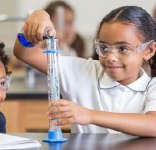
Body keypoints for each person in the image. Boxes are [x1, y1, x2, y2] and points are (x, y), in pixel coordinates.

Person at [14, 6, 156, 137]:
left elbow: (152, 124)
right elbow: (25, 53)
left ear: (148, 50)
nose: (111, 58)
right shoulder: (82, 72)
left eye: (123, 49)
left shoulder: (152, 87)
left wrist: (88, 115)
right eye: (104, 48)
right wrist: (38, 16)